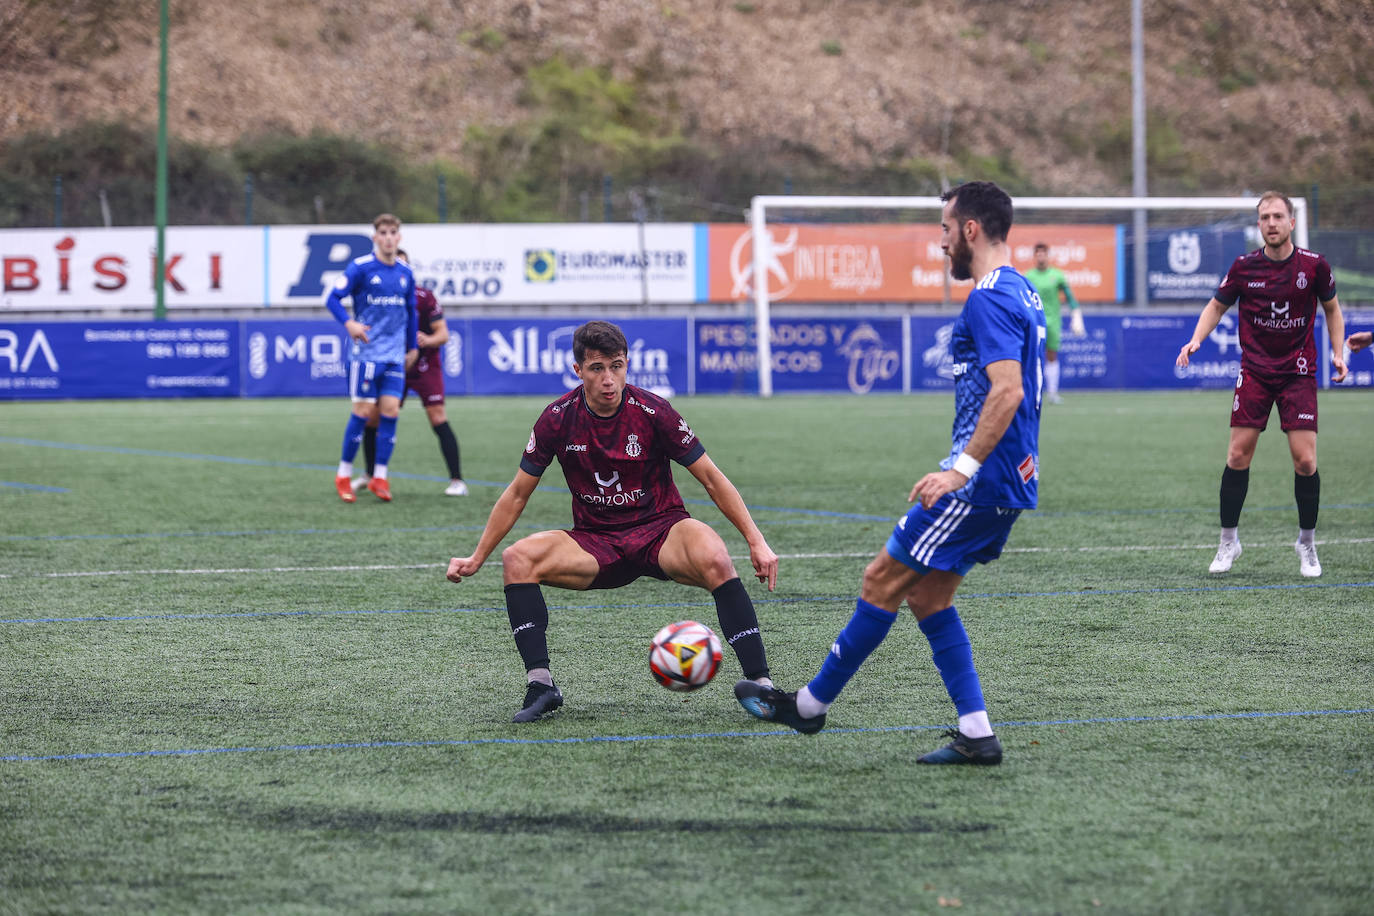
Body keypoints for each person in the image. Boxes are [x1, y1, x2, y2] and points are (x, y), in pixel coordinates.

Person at [737, 181, 1045, 765]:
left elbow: (1008, 391)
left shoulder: (988, 297)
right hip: (1011, 480)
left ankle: (808, 706)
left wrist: (960, 469)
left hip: (980, 483)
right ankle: (977, 733)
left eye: (946, 230)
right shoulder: (1023, 292)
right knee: (928, 597)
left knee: (881, 580)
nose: (943, 243)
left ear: (971, 230)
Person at [446, 320, 781, 723]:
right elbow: (518, 493)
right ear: (578, 371)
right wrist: (478, 556)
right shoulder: (557, 418)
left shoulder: (654, 412)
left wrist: (756, 541)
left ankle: (763, 687)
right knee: (518, 558)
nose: (609, 379)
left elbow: (711, 478)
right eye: (597, 368)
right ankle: (541, 684)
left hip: (661, 530)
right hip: (596, 542)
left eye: (617, 366)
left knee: (713, 553)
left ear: (627, 365)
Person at [1176, 191, 1347, 578]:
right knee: (1237, 456)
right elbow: (1216, 305)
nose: (1271, 223)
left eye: (1277, 216)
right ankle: (1228, 541)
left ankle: (1306, 544)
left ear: (1291, 222)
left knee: (1305, 461)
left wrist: (1338, 353)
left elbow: (1333, 310)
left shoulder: (1314, 266)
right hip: (1254, 370)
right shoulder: (1243, 267)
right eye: (1264, 217)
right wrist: (1197, 338)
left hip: (1298, 371)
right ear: (1259, 225)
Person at [352, 249, 468, 497]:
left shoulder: (424, 297)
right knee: (372, 417)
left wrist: (426, 339)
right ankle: (371, 475)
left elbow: (443, 334)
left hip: (425, 367)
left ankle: (457, 480)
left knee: (438, 417)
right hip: (395, 365)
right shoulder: (377, 298)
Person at [326, 213, 418, 503]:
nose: (389, 237)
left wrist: (412, 346)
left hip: (393, 356)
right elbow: (332, 298)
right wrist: (349, 323)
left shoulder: (405, 272)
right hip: (366, 355)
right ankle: (343, 475)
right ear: (376, 237)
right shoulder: (361, 268)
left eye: (393, 232)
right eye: (384, 233)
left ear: (399, 237)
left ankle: (380, 476)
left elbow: (412, 311)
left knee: (391, 411)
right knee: (364, 413)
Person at [1023, 241, 1084, 404]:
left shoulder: (1057, 275)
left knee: (1051, 355)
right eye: (1038, 254)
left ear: (1048, 256)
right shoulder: (1028, 277)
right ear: (1034, 256)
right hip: (1034, 321)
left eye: (1043, 253)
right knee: (1032, 356)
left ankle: (1052, 393)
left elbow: (1070, 297)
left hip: (1053, 322)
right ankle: (1032, 392)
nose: (1041, 256)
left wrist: (1076, 314)